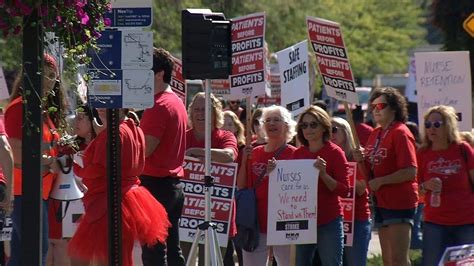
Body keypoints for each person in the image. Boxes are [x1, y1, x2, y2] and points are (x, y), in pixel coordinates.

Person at [68, 108, 170, 266]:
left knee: (99, 257)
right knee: (121, 255)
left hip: (108, 203)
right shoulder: (134, 129)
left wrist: (76, 167)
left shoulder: (113, 134)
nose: (102, 106)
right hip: (128, 199)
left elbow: (101, 169)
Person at [5, 54, 66, 266]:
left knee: (25, 253)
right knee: (35, 252)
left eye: (53, 76)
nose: (50, 81)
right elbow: (15, 151)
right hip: (25, 191)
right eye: (45, 75)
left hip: (38, 190)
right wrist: (50, 161)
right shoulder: (19, 107)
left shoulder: (40, 110)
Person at [353, 87, 418, 266]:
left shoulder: (401, 132)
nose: (375, 110)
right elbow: (370, 171)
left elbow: (410, 171)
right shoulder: (376, 133)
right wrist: (361, 159)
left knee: (398, 258)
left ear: (394, 108)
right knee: (388, 259)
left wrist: (381, 181)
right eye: (372, 106)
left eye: (380, 105)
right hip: (381, 201)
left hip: (399, 201)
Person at [139, 48, 188, 266]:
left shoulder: (159, 105)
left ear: (159, 74)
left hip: (156, 186)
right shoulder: (175, 101)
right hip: (172, 186)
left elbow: (144, 150)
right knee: (171, 249)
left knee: (153, 252)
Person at [181, 93, 238, 265]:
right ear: (190, 113)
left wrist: (195, 152)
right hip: (186, 213)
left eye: (205, 109)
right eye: (197, 109)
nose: (200, 113)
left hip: (218, 212)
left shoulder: (225, 136)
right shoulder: (183, 136)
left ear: (215, 113)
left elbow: (229, 156)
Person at [237, 105, 297, 266]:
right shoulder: (254, 152)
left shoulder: (295, 154)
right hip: (256, 222)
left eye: (276, 120)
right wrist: (244, 161)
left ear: (287, 125)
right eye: (267, 120)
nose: (271, 124)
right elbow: (241, 186)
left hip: (284, 223)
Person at [417, 105, 474, 266]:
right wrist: (426, 185)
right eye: (427, 125)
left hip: (466, 222)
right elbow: (416, 190)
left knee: (465, 264)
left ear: (448, 125)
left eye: (436, 124)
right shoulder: (423, 153)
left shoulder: (463, 149)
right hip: (435, 223)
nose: (431, 129)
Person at [294, 106, 349, 266]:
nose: (308, 129)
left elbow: (344, 190)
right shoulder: (298, 154)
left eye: (313, 124)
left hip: (328, 221)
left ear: (324, 127)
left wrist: (324, 175)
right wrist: (274, 173)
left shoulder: (335, 152)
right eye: (304, 125)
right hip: (302, 220)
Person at [330, 117, 371, 266]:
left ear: (346, 133)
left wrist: (340, 173)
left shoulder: (357, 157)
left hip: (356, 220)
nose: (330, 133)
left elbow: (361, 188)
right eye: (326, 130)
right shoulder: (325, 157)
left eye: (334, 129)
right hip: (333, 220)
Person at [222, 110, 245, 265]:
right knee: (226, 249)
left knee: (241, 245)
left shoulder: (243, 149)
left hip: (239, 200)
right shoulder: (215, 147)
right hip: (222, 199)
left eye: (229, 124)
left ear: (237, 127)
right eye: (222, 124)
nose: (226, 127)